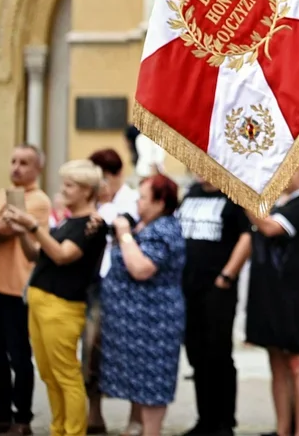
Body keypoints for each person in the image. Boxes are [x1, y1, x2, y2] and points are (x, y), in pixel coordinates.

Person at [3, 160, 108, 436]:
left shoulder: (94, 223)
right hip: (40, 301)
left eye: (69, 185)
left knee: (66, 375)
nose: (63, 190)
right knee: (49, 375)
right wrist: (23, 231)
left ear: (87, 191)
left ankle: (73, 431)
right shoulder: (68, 220)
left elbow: (63, 256)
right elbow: (37, 255)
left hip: (62, 306)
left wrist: (33, 226)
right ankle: (58, 428)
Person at [98, 174, 187, 436]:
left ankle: (151, 432)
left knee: (153, 385)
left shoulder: (165, 229)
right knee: (140, 383)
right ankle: (138, 427)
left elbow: (141, 269)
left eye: (143, 197)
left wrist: (124, 236)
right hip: (139, 323)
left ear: (160, 203)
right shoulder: (147, 225)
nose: (137, 201)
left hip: (155, 322)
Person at [245, 155, 299, 436]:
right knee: (275, 361)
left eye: (293, 168)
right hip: (271, 293)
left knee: (296, 362)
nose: (286, 175)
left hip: (295, 295)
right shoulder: (280, 202)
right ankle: (282, 429)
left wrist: (242, 194)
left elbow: (269, 227)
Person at [175, 176, 252, 436]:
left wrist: (227, 275)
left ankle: (224, 422)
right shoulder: (192, 192)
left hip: (218, 288)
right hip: (188, 288)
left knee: (218, 353)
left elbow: (247, 237)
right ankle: (204, 419)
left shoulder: (233, 193)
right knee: (196, 354)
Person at [0, 144, 52, 436]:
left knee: (19, 356)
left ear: (38, 168)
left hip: (15, 289)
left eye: (24, 162)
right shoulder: (0, 194)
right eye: (13, 161)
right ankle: (1, 414)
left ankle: (22, 419)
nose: (16, 167)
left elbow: (1, 232)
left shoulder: (37, 200)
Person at [85, 148, 141, 436]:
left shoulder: (132, 200)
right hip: (96, 283)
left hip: (126, 283)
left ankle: (136, 416)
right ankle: (94, 414)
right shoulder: (91, 202)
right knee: (91, 348)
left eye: (102, 178)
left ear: (114, 174)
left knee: (131, 348)